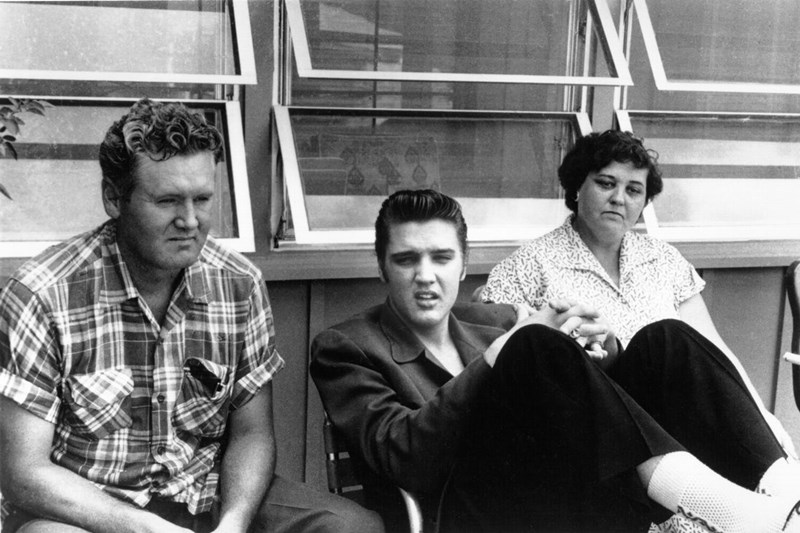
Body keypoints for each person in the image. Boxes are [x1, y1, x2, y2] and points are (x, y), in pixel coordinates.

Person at [311, 188, 800, 533]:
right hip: (470, 514)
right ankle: (727, 511)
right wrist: (510, 349)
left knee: (665, 340)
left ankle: (786, 497)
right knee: (529, 346)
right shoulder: (345, 347)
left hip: (568, 487)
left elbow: (583, 400)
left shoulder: (491, 317)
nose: (425, 276)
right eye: (405, 260)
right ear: (381, 266)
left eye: (441, 258)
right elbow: (403, 456)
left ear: (463, 263)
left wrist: (603, 351)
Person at [0, 98, 383, 533]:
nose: (190, 221)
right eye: (167, 201)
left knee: (350, 527)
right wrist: (145, 528)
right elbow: (23, 472)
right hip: (92, 512)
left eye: (202, 199)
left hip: (207, 497)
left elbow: (252, 434)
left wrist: (234, 524)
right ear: (113, 198)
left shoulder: (239, 284)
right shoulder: (42, 294)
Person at [481, 129, 796, 457]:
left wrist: (765, 418)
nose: (619, 198)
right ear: (577, 188)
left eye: (634, 190)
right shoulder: (530, 264)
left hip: (680, 422)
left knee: (674, 340)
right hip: (595, 425)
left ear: (644, 203)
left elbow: (717, 356)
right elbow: (502, 362)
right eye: (606, 183)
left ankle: (779, 477)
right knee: (665, 338)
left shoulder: (663, 259)